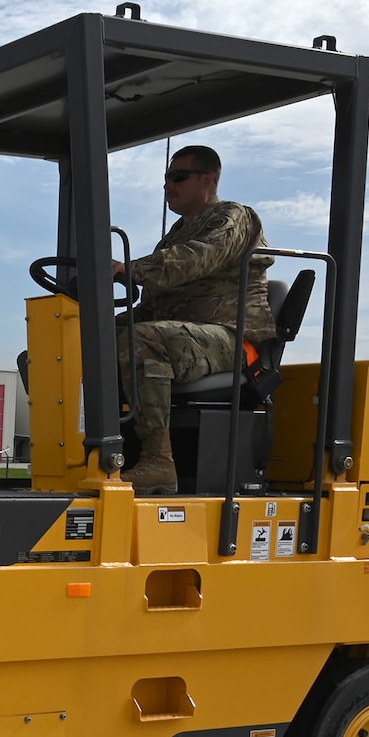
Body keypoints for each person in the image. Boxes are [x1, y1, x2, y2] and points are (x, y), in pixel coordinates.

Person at [110, 145, 274, 493]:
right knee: (88, 336)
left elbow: (196, 258)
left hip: (232, 340)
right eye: (167, 178)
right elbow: (153, 307)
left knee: (144, 338)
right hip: (183, 338)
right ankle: (96, 446)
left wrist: (130, 268)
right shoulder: (173, 237)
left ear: (208, 179)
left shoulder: (233, 218)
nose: (168, 185)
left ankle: (158, 462)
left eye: (178, 177)